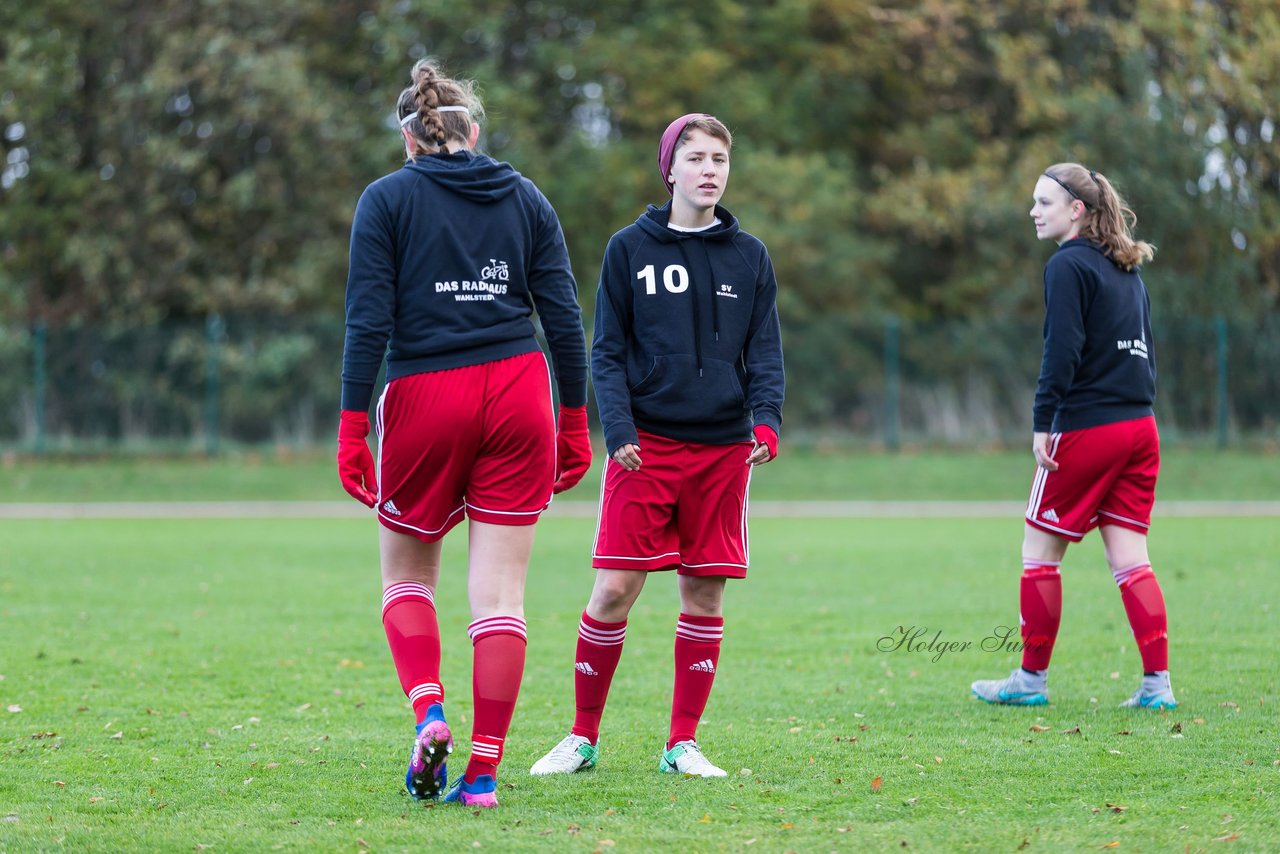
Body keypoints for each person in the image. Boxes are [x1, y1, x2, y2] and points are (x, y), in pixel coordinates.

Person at [337, 59, 592, 808]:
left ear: (409, 141)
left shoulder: (385, 199)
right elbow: (566, 320)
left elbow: (367, 323)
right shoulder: (526, 197)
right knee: (502, 597)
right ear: (472, 133)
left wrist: (354, 428)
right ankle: (481, 775)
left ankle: (431, 712)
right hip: (520, 389)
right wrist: (575, 422)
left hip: (426, 393)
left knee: (408, 578)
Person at [529, 114, 785, 779]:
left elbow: (765, 351)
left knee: (704, 592)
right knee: (614, 590)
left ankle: (681, 744)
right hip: (645, 448)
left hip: (724, 452)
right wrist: (618, 431)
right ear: (669, 169)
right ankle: (581, 738)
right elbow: (606, 352)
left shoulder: (750, 256)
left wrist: (767, 421)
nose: (709, 169)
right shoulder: (628, 249)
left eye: (720, 158)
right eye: (696, 157)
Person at [972, 163, 1174, 710]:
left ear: (1076, 210)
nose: (1034, 212)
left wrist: (1043, 422)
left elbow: (1060, 351)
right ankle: (1158, 686)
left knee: (1039, 553)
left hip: (1088, 428)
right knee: (1131, 557)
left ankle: (1029, 681)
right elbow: (1148, 354)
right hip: (1140, 428)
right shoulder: (1126, 268)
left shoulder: (1068, 265)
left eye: (1043, 202)